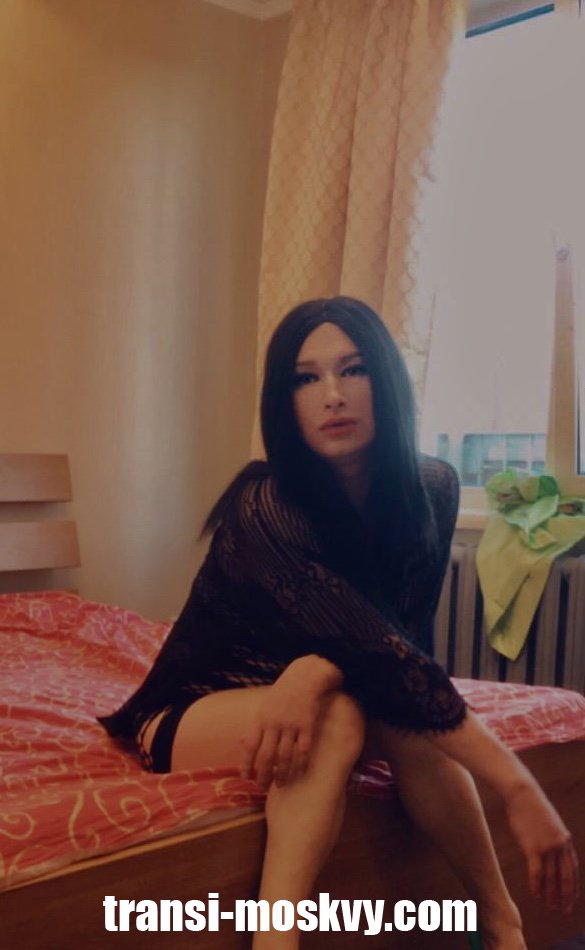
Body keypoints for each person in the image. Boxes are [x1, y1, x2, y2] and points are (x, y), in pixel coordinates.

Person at [99, 297, 579, 950]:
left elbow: (398, 644)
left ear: (387, 380)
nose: (332, 394)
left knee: (405, 718)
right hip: (195, 706)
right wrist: (518, 788)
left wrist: (311, 672)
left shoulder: (432, 488)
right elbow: (376, 649)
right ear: (284, 402)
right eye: (306, 378)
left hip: (319, 690)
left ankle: (501, 925)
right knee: (341, 719)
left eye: (353, 369)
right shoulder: (264, 506)